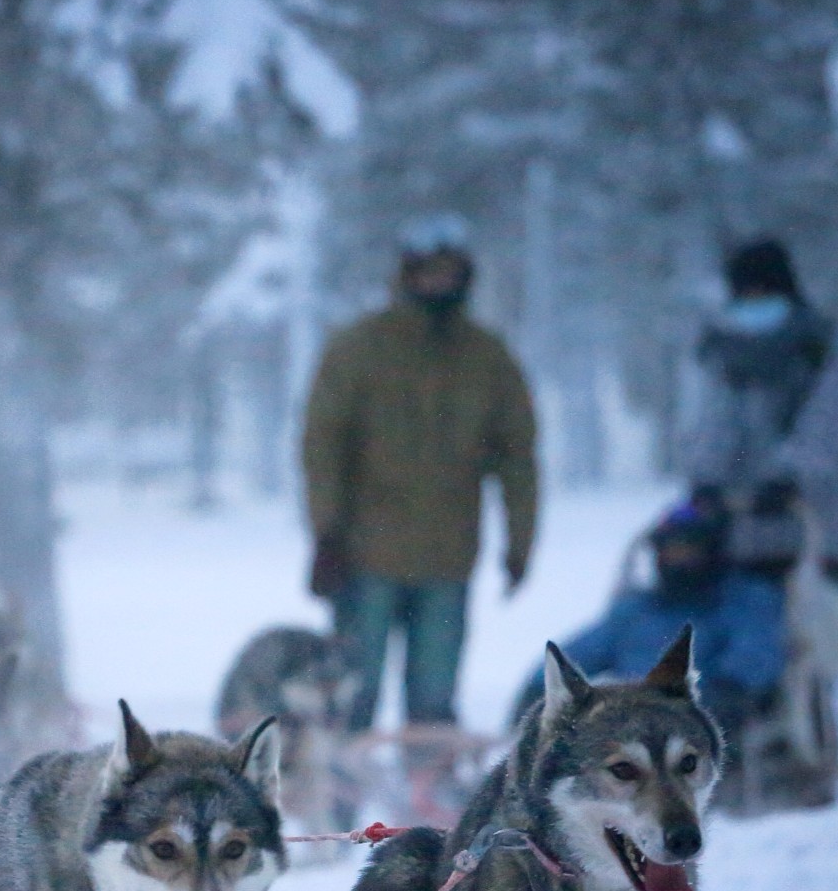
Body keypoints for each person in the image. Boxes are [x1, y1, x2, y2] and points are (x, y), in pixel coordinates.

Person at [301, 215, 538, 732]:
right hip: (365, 556)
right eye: (427, 272)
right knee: (349, 700)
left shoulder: (488, 357)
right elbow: (322, 445)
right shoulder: (358, 347)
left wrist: (521, 543)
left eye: (448, 272)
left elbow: (518, 456)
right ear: (407, 275)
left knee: (434, 704)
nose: (438, 283)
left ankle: (423, 805)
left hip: (448, 558)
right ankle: (341, 810)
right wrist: (326, 533)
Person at [512, 500, 784, 741]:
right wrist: (543, 689)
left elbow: (756, 653)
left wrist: (726, 694)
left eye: (689, 550)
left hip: (705, 715)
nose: (678, 560)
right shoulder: (636, 611)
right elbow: (582, 652)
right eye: (671, 551)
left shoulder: (744, 602)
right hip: (627, 721)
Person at [689, 238, 838, 581]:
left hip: (813, 528)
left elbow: (837, 430)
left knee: (801, 628)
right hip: (734, 536)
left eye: (764, 293)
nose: (754, 302)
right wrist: (707, 480)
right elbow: (715, 426)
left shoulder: (824, 348)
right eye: (745, 294)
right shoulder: (725, 356)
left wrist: (786, 478)